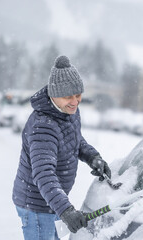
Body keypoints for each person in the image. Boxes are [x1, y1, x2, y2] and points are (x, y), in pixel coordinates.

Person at [12, 55, 111, 239]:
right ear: (53, 95)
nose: (75, 101)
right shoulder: (43, 126)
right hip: (37, 206)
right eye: (68, 97)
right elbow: (44, 173)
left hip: (53, 200)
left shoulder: (68, 111)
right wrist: (66, 210)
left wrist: (92, 157)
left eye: (78, 95)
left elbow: (75, 140)